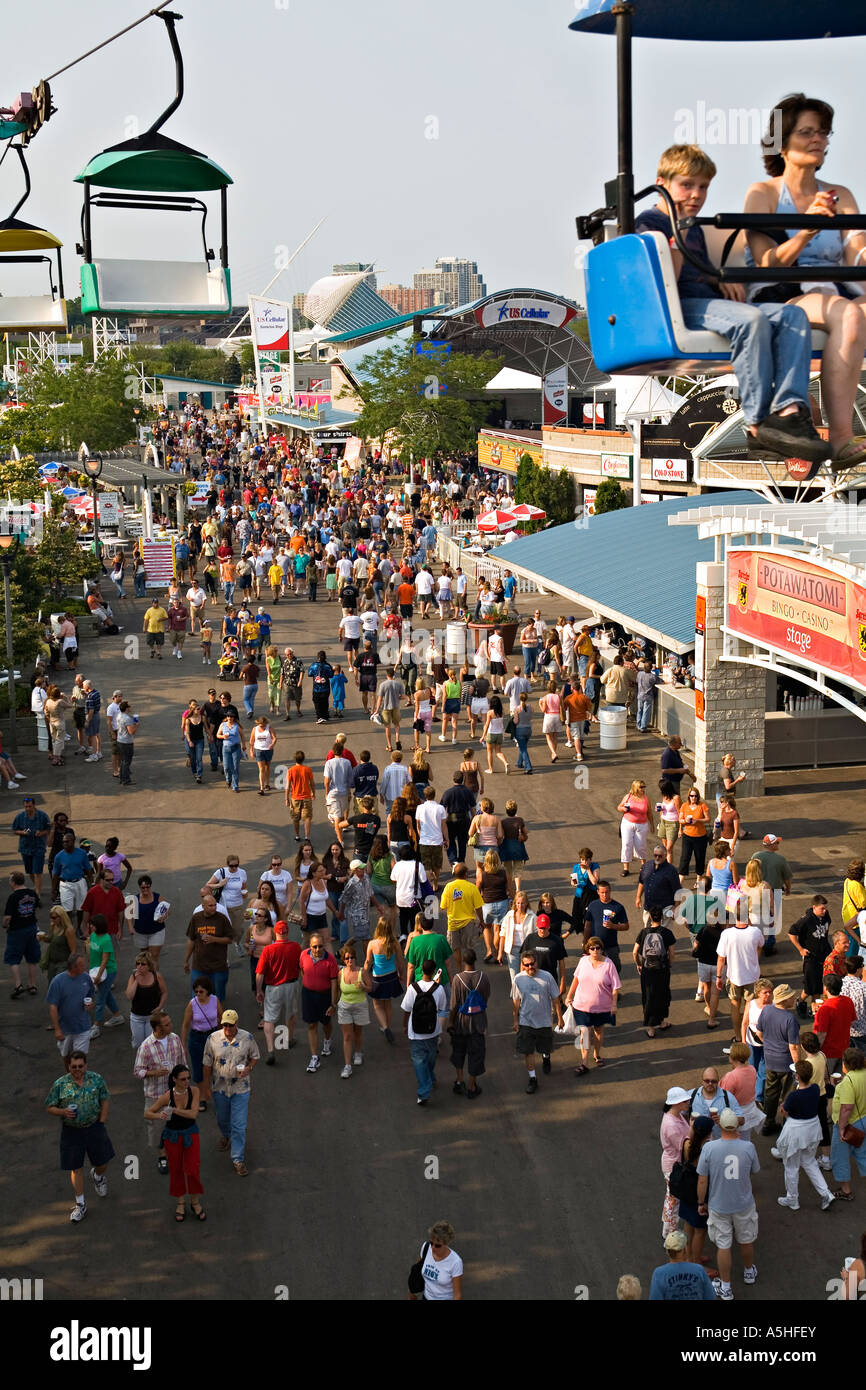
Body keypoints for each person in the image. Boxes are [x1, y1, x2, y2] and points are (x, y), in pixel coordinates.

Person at [636, 142, 827, 467]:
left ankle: (789, 412)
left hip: (709, 301)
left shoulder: (693, 228)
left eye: (703, 187)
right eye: (687, 186)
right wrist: (676, 238)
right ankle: (756, 423)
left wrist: (719, 278)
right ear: (662, 183)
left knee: (792, 315)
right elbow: (665, 282)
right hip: (679, 309)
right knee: (751, 320)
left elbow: (700, 270)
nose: (696, 195)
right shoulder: (651, 223)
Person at [744, 93, 866, 471]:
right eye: (807, 132)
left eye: (824, 133)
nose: (819, 140)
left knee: (851, 310)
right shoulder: (762, 195)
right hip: (785, 292)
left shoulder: (840, 194)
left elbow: (857, 253)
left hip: (836, 289)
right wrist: (807, 232)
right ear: (781, 143)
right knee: (847, 315)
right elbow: (766, 263)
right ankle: (842, 437)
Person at [695, 1107, 760, 1302]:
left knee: (723, 1245)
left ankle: (726, 1287)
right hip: (743, 1202)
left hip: (718, 1204)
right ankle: (749, 1272)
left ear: (720, 1125)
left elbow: (702, 1180)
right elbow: (755, 1170)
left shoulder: (709, 1148)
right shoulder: (748, 1147)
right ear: (737, 1125)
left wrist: (700, 1202)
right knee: (746, 1239)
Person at [45, 1052, 114, 1223]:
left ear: (86, 1065)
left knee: (102, 1163)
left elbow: (105, 1098)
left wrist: (102, 1121)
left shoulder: (96, 1079)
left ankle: (98, 1177)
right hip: (71, 1131)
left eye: (80, 1066)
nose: (77, 1070)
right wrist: (63, 1112)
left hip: (94, 1128)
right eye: (74, 1066)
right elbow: (49, 1106)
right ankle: (80, 1204)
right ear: (69, 1066)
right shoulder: (60, 1084)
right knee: (75, 1168)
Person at [772, 1058, 835, 1212]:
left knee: (791, 1167)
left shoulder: (793, 1096)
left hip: (796, 1131)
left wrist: (783, 1108)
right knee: (809, 1162)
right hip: (812, 1130)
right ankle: (826, 1193)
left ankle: (793, 1199)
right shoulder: (814, 1089)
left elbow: (785, 1113)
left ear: (798, 1077)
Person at [202, 1008, 259, 1177]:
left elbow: (255, 1056)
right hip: (219, 1088)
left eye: (231, 1025)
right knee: (222, 1119)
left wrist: (249, 1068)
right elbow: (206, 1063)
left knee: (239, 1126)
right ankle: (226, 1136)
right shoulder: (212, 1039)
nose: (227, 1029)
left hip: (240, 1089)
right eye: (225, 1025)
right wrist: (206, 1087)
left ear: (237, 1024)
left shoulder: (247, 1038)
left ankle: (238, 1159)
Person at [134, 1009, 187, 1175]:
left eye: (169, 1022)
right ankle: (162, 1156)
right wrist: (153, 1073)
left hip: (174, 1092)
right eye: (166, 1024)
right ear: (157, 1028)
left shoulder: (175, 1039)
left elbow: (182, 1061)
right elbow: (138, 1071)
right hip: (155, 1095)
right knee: (157, 1128)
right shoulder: (146, 1047)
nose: (170, 1025)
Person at [566, 938, 621, 1075]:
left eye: (597, 948)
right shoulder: (583, 961)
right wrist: (569, 995)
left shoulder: (609, 964)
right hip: (581, 1005)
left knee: (598, 1031)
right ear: (587, 949)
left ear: (602, 949)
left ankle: (597, 1054)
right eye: (592, 948)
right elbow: (576, 979)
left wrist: (614, 1004)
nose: (595, 951)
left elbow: (615, 987)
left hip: (601, 1007)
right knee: (584, 1032)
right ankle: (584, 1062)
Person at [756, 984, 802, 1136]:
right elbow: (793, 1047)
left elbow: (759, 1033)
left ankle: (768, 1123)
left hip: (770, 1060)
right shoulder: (790, 1019)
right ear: (785, 1000)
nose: (794, 998)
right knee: (787, 1095)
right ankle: (786, 1127)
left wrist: (769, 1045)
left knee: (770, 1093)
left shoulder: (767, 1010)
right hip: (786, 1063)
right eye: (791, 997)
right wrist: (798, 1067)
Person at [512, 950, 560, 1094]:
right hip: (526, 1021)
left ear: (537, 962)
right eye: (526, 965)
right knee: (528, 1051)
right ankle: (532, 1078)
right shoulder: (518, 979)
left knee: (545, 1047)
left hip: (544, 1021)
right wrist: (515, 1020)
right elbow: (516, 1000)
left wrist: (560, 1017)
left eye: (532, 964)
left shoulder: (547, 977)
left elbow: (556, 998)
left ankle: (546, 1057)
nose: (530, 967)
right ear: (522, 965)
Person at [401, 957, 448, 1105]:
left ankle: (423, 1092)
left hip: (416, 1032)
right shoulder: (439, 989)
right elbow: (441, 1008)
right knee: (430, 1058)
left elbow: (407, 1010)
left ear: (421, 970)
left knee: (419, 1061)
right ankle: (430, 1078)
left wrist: (404, 1025)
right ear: (434, 971)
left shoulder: (412, 988)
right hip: (432, 1031)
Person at [716, 908, 764, 1046]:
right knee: (750, 1006)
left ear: (734, 917)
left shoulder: (727, 934)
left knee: (735, 1005)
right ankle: (748, 1036)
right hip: (752, 976)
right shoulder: (755, 932)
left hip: (734, 976)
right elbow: (761, 945)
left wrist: (719, 976)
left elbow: (721, 958)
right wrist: (756, 959)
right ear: (747, 916)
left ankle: (738, 1037)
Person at [255, 920, 302, 1063]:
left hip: (274, 987)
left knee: (269, 1018)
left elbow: (260, 974)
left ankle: (271, 1049)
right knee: (291, 1013)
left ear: (276, 933)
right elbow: (301, 966)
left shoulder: (268, 950)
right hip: (292, 985)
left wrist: (259, 991)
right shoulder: (295, 947)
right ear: (287, 932)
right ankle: (288, 1039)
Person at [448, 949, 490, 1100]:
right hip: (478, 1022)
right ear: (475, 960)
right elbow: (486, 998)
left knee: (459, 1051)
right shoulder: (483, 977)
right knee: (476, 1054)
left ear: (464, 961)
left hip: (461, 1023)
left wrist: (451, 1022)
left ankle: (460, 1081)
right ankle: (472, 1086)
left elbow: (453, 1005)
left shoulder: (458, 979)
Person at [633, 907, 676, 1038]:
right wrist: (669, 964)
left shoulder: (643, 932)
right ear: (662, 917)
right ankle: (662, 1022)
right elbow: (672, 953)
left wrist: (639, 964)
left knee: (648, 996)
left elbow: (635, 952)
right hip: (662, 969)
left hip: (647, 969)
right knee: (663, 994)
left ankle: (651, 1028)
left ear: (651, 917)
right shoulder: (667, 932)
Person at [830, 1048, 866, 1201]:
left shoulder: (847, 1082)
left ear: (846, 1064)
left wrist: (841, 1128)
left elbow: (847, 1108)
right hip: (863, 1120)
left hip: (850, 1125)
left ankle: (845, 1191)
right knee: (862, 1154)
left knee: (840, 1157)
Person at [180, 977, 222, 1108]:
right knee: (198, 1068)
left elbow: (222, 1017)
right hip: (197, 1039)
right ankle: (202, 1096)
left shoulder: (215, 1000)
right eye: (196, 991)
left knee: (215, 1066)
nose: (198, 994)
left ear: (208, 991)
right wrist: (183, 1045)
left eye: (201, 991)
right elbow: (185, 1026)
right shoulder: (192, 1004)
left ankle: (215, 1093)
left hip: (213, 1037)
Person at [789, 894, 834, 1016]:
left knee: (819, 984)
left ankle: (814, 1010)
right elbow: (791, 932)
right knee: (811, 986)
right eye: (821, 909)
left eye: (825, 908)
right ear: (814, 907)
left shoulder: (826, 915)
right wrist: (800, 949)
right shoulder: (806, 920)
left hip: (824, 954)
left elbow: (826, 928)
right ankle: (805, 1003)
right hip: (811, 957)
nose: (824, 911)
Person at [46, 953, 93, 1070]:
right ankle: (70, 1077)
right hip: (65, 1028)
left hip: (83, 1025)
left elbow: (90, 995)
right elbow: (53, 1006)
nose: (85, 967)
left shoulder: (86, 978)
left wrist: (90, 1004)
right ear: (74, 967)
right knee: (66, 1056)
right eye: (82, 965)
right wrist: (57, 1029)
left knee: (80, 1058)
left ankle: (79, 1080)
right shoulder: (58, 982)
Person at [660, 1085, 693, 1239]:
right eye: (685, 1101)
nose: (688, 1102)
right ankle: (670, 1232)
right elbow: (685, 1148)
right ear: (676, 1103)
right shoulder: (672, 1125)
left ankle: (669, 1229)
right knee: (673, 1200)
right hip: (674, 1166)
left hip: (673, 1164)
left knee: (671, 1198)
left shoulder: (675, 1115)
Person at [649, 1230, 716, 1301]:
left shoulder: (659, 1273)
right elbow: (710, 1296)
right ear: (685, 1249)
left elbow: (655, 1297)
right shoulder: (699, 1270)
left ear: (667, 1252)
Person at [85, 912, 124, 1035]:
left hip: (107, 972)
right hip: (96, 971)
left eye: (93, 924)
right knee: (106, 994)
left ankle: (96, 1027)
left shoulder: (106, 939)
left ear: (99, 925)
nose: (90, 926)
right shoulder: (93, 936)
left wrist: (97, 977)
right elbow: (91, 953)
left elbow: (105, 960)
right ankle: (118, 1016)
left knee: (100, 998)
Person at [336, 939, 371, 1078]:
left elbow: (370, 988)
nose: (350, 960)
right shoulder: (341, 973)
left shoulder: (362, 972)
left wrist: (363, 987)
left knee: (358, 1032)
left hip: (360, 1006)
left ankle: (358, 1052)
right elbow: (338, 990)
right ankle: (347, 1065)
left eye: (352, 957)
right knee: (347, 1036)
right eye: (347, 958)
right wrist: (334, 1004)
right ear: (344, 960)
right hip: (344, 1007)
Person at [4, 869, 41, 999]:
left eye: (10, 880)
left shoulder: (13, 897)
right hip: (31, 928)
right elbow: (37, 905)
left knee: (13, 958)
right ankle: (32, 985)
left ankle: (18, 984)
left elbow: (7, 918)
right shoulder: (32, 893)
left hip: (17, 930)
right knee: (32, 958)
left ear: (13, 882)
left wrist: (5, 925)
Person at [409, 1221, 463, 1301]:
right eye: (431, 1243)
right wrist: (412, 1293)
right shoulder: (426, 1248)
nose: (433, 1247)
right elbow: (417, 1271)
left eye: (438, 1245)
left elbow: (457, 1295)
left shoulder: (455, 1262)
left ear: (446, 1243)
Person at [814, 973, 857, 1073]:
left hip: (828, 1053)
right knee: (838, 1080)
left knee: (827, 1081)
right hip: (843, 1049)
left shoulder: (825, 1009)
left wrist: (815, 1051)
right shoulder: (848, 1001)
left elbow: (821, 1035)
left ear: (825, 988)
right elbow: (851, 1021)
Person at [11, 795, 50, 899]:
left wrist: (41, 833)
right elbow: (15, 830)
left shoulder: (42, 816)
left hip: (39, 847)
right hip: (25, 848)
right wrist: (22, 832)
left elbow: (48, 829)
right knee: (30, 872)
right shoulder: (20, 817)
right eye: (26, 807)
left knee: (38, 871)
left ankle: (37, 894)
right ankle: (37, 886)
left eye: (30, 806)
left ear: (34, 806)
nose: (28, 809)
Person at [617, 779, 653, 875]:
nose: (643, 788)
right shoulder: (628, 797)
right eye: (641, 787)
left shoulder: (646, 798)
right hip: (627, 823)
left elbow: (649, 812)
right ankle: (626, 868)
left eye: (644, 786)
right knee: (626, 844)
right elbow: (619, 807)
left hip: (642, 824)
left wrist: (652, 824)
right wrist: (623, 808)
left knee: (641, 845)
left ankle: (643, 864)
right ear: (636, 787)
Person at [678, 787, 710, 878]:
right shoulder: (684, 806)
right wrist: (685, 821)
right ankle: (679, 883)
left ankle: (699, 881)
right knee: (684, 858)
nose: (694, 798)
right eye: (692, 796)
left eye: (696, 796)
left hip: (700, 837)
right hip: (687, 836)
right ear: (689, 796)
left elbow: (708, 819)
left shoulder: (702, 805)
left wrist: (698, 820)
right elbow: (680, 820)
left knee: (700, 859)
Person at [286, 750, 315, 843]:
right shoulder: (307, 769)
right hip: (306, 797)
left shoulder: (291, 770)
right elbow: (312, 783)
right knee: (307, 817)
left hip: (295, 797)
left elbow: (287, 786)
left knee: (295, 818)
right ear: (303, 759)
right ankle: (307, 836)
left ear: (295, 759)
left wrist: (286, 798)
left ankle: (297, 835)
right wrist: (313, 793)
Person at [249, 715, 276, 795]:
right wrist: (251, 751)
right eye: (261, 725)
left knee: (267, 767)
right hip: (259, 750)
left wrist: (273, 744)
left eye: (263, 725)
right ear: (258, 723)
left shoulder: (269, 728)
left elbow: (274, 738)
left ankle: (267, 784)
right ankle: (261, 788)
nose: (262, 727)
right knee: (261, 769)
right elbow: (251, 741)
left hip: (268, 750)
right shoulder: (255, 729)